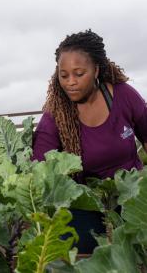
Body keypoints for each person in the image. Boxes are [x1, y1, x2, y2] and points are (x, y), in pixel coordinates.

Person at [32, 29, 147, 253]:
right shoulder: (55, 116)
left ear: (96, 70)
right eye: (64, 76)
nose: (70, 83)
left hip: (130, 194)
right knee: (75, 249)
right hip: (86, 203)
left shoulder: (123, 96)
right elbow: (40, 167)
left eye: (79, 73)